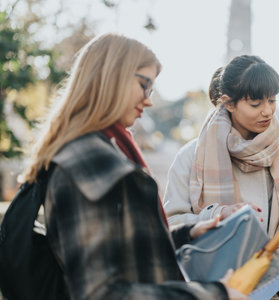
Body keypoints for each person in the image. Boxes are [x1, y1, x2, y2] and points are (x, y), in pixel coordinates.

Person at [19, 33, 247, 300]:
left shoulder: (97, 152)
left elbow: (122, 251)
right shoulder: (89, 164)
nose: (148, 100)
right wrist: (217, 294)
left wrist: (188, 234)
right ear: (110, 79)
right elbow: (101, 293)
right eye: (143, 85)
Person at [163, 55, 279, 299]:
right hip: (215, 289)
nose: (267, 111)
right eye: (256, 104)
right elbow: (171, 226)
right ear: (229, 103)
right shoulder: (190, 157)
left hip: (277, 288)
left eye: (272, 100)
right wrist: (216, 214)